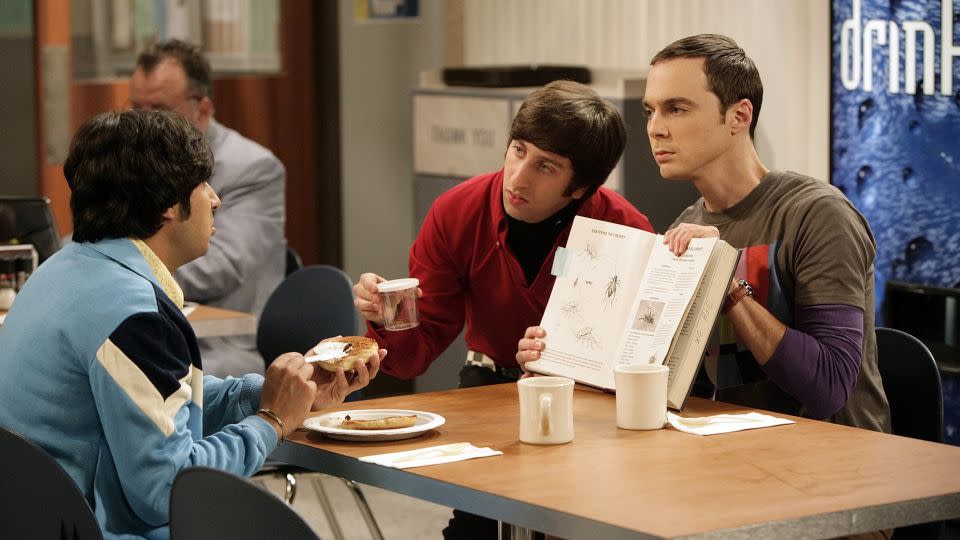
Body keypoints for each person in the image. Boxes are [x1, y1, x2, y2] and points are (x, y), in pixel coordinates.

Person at [0, 110, 381, 540]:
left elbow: (160, 402)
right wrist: (272, 420)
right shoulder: (131, 316)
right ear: (166, 204)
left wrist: (272, 394)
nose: (215, 199)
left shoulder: (63, 271)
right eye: (201, 184)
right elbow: (167, 491)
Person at [518, 34, 890, 434]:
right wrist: (559, 359)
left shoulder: (818, 215)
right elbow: (671, 384)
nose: (656, 129)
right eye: (650, 111)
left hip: (835, 464)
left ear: (739, 117)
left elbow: (830, 388)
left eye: (676, 109)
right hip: (734, 456)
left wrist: (725, 286)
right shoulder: (685, 227)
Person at [353, 80, 653, 539]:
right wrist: (385, 318)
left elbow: (638, 355)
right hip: (489, 384)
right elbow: (415, 354)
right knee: (472, 527)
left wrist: (563, 361)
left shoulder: (623, 228)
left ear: (580, 188)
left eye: (545, 166)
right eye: (517, 150)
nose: (518, 177)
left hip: (586, 401)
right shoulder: (456, 212)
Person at [130, 39, 286, 378]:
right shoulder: (137, 163)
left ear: (201, 109)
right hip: (147, 324)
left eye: (156, 110)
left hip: (220, 345)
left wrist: (121, 264)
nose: (143, 123)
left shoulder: (252, 168)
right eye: (136, 109)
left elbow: (217, 266)